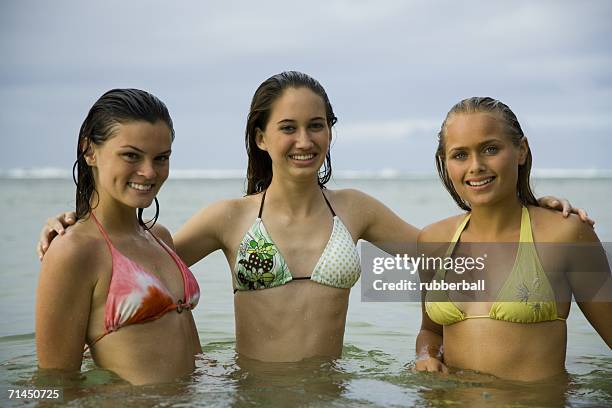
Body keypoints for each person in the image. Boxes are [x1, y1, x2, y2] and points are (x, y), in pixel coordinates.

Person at [37, 73, 591, 363]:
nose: (305, 140)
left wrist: (536, 211)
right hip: (249, 392)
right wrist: (77, 228)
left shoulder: (356, 209)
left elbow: (449, 256)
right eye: (288, 127)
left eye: (318, 125)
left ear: (330, 130)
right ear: (260, 136)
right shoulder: (228, 218)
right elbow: (141, 266)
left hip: (333, 388)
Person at [415, 97, 611, 381]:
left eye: (490, 149)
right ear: (445, 163)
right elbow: (430, 332)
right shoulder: (433, 240)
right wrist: (425, 356)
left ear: (521, 150)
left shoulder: (564, 234)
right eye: (460, 155)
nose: (476, 166)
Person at [36, 89, 201, 385]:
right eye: (131, 155)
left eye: (161, 158)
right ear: (89, 151)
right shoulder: (73, 252)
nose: (149, 172)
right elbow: (52, 387)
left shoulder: (160, 237)